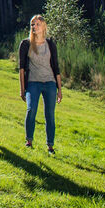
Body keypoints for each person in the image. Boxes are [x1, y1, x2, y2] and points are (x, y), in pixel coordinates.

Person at [18, 14, 62, 153]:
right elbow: (22, 68)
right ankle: (29, 141)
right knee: (31, 110)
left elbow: (56, 67)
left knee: (50, 114)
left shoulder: (50, 44)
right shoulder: (26, 44)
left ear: (43, 26)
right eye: (32, 24)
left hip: (50, 83)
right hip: (33, 83)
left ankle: (50, 145)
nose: (34, 27)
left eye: (37, 24)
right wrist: (22, 89)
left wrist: (59, 89)